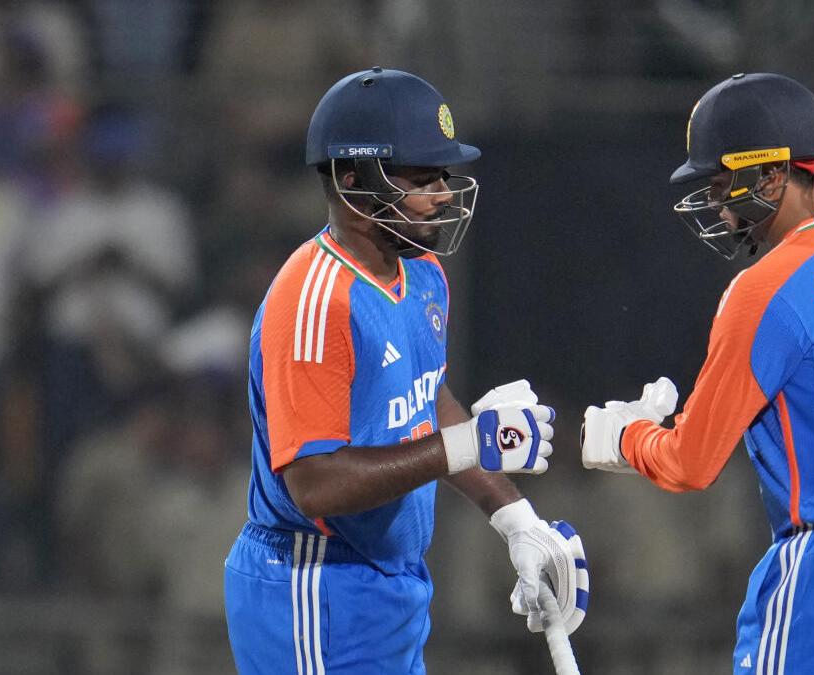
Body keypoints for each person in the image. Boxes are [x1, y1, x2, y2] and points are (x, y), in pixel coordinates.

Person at [581, 72, 814, 674]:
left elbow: (690, 463)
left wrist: (627, 437)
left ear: (774, 174)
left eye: (724, 182)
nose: (716, 203)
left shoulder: (764, 288)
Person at [224, 68, 588, 675]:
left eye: (443, 175)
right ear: (352, 181)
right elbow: (314, 483)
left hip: (386, 583)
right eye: (422, 177)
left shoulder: (420, 272)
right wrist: (465, 445)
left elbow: (426, 397)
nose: (443, 193)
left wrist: (515, 518)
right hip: (314, 584)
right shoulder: (315, 300)